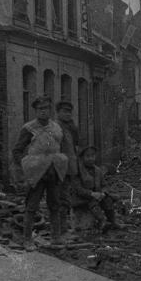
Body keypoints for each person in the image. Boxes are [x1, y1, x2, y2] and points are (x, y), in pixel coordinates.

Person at [12, 95, 68, 251]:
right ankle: (27, 239)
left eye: (46, 108)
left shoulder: (56, 128)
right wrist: (27, 166)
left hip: (53, 171)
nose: (44, 112)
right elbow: (17, 150)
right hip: (36, 173)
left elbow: (60, 147)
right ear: (35, 111)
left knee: (55, 205)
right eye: (40, 109)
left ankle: (56, 237)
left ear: (50, 110)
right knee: (32, 206)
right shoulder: (29, 128)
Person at [72, 145, 123, 232]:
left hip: (97, 196)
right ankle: (102, 220)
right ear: (82, 158)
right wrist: (92, 194)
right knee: (91, 201)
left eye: (92, 156)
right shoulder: (77, 171)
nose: (90, 158)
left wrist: (103, 193)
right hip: (80, 198)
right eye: (87, 156)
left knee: (108, 199)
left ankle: (112, 221)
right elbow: (78, 189)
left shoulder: (97, 170)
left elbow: (104, 185)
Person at [55, 100, 79, 238]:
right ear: (58, 113)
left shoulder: (70, 127)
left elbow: (74, 146)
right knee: (60, 199)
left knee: (65, 198)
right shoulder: (56, 127)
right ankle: (61, 230)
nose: (67, 114)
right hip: (59, 168)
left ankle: (63, 228)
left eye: (69, 111)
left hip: (69, 167)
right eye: (64, 111)